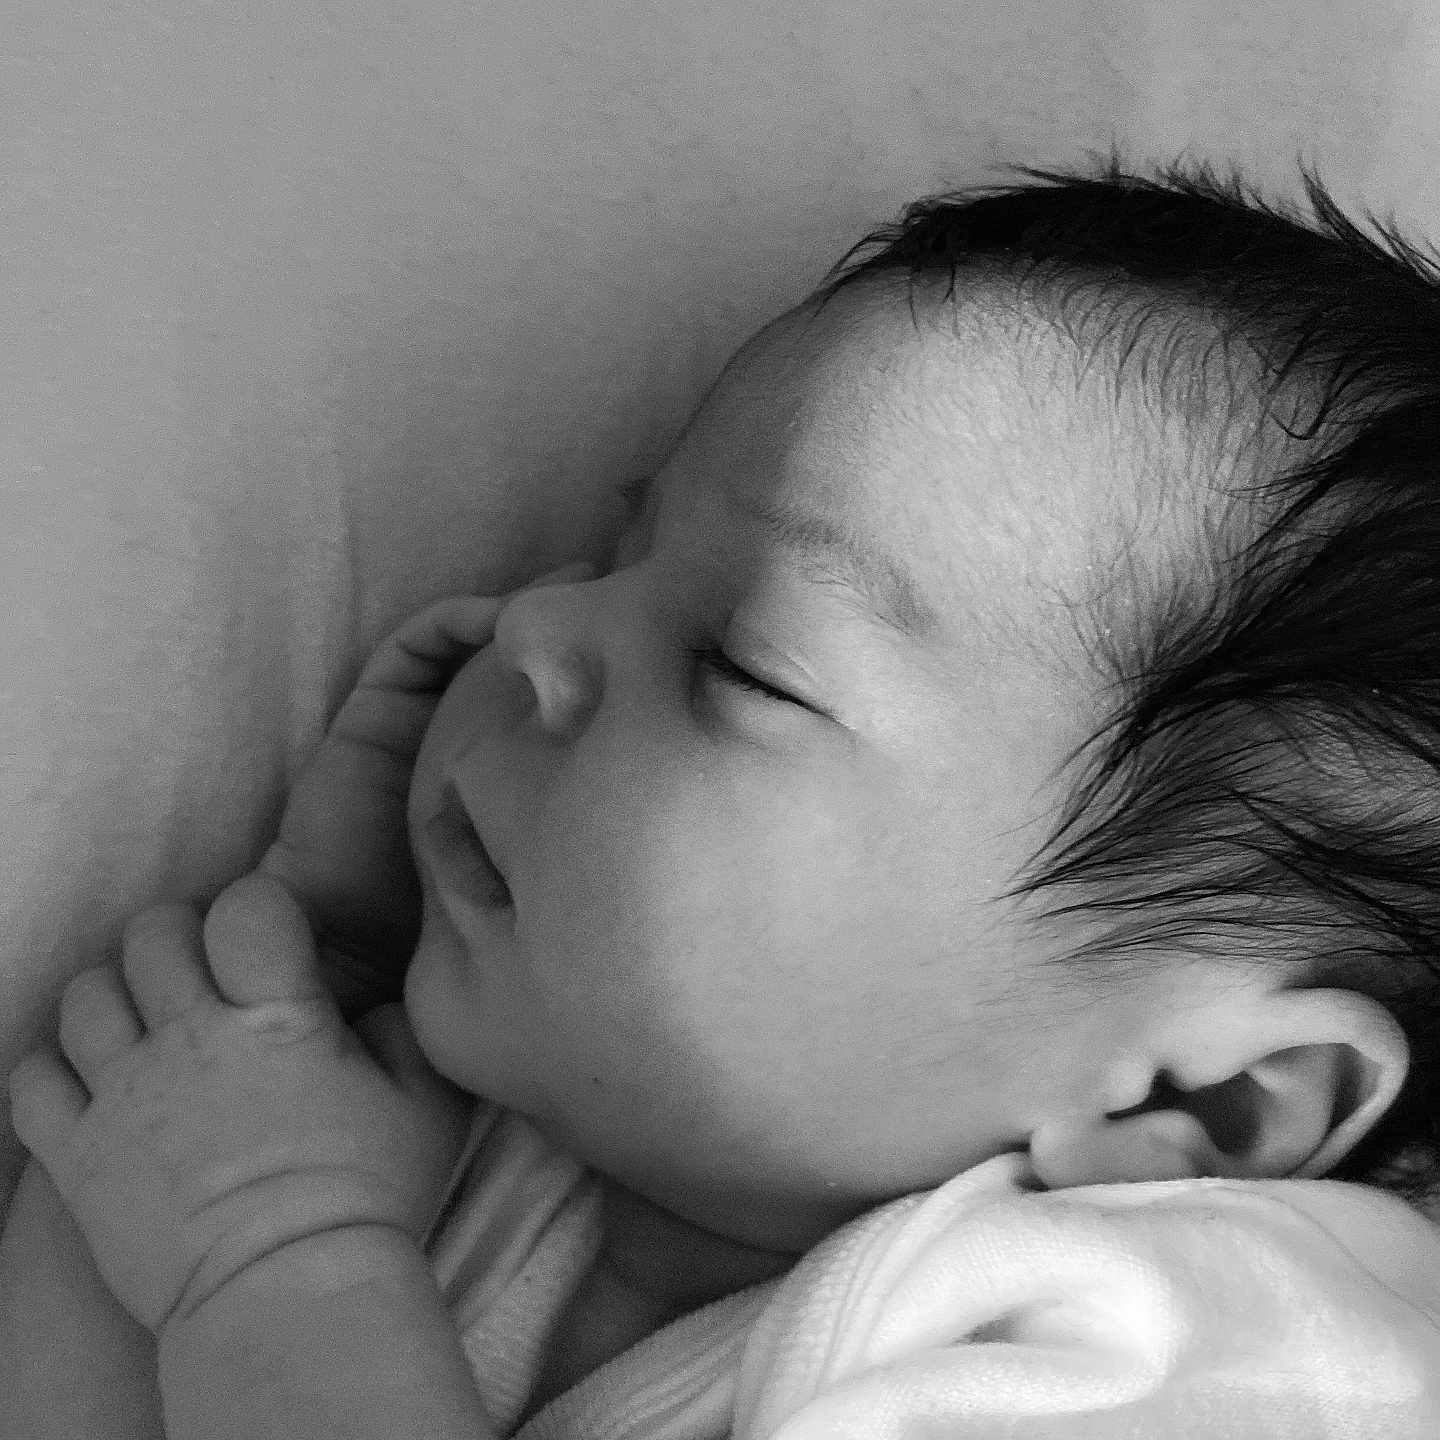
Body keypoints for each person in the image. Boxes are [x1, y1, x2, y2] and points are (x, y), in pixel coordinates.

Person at [8, 150, 1440, 1437]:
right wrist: (293, 991)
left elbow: (229, 1288)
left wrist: (272, 1262)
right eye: (617, 549)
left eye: (746, 664)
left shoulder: (1178, 1342)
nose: (535, 627)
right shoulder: (494, 1141)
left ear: (1213, 1105)